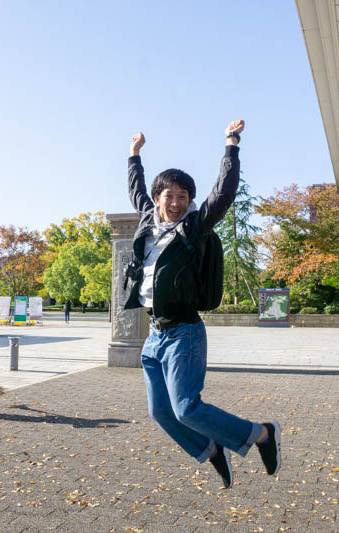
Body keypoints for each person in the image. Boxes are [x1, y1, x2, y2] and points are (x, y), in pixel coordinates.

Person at [123, 120, 280, 489]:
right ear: (158, 198)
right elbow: (135, 189)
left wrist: (231, 145)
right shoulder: (147, 220)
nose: (176, 203)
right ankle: (210, 450)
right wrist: (134, 155)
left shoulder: (194, 227)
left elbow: (223, 193)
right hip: (154, 337)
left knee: (187, 408)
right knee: (161, 412)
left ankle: (262, 434)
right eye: (169, 196)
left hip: (184, 332)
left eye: (184, 196)